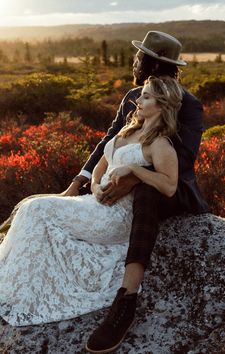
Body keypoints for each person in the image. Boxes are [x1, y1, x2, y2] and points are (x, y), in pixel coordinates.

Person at [63, 31, 209, 353]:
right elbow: (110, 142)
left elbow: (182, 161)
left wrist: (134, 177)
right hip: (120, 183)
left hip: (171, 188)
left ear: (155, 63)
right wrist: (80, 182)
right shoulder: (132, 96)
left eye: (141, 55)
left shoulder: (189, 104)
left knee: (146, 194)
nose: (136, 61)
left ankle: (126, 301)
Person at [0, 76, 182, 330]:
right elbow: (100, 167)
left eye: (146, 96)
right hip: (95, 203)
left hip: (114, 217)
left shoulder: (160, 144)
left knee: (36, 209)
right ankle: (15, 284)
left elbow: (170, 185)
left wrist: (134, 170)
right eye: (141, 94)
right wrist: (95, 187)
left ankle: (19, 291)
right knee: (32, 208)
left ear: (162, 105)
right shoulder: (128, 130)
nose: (137, 100)